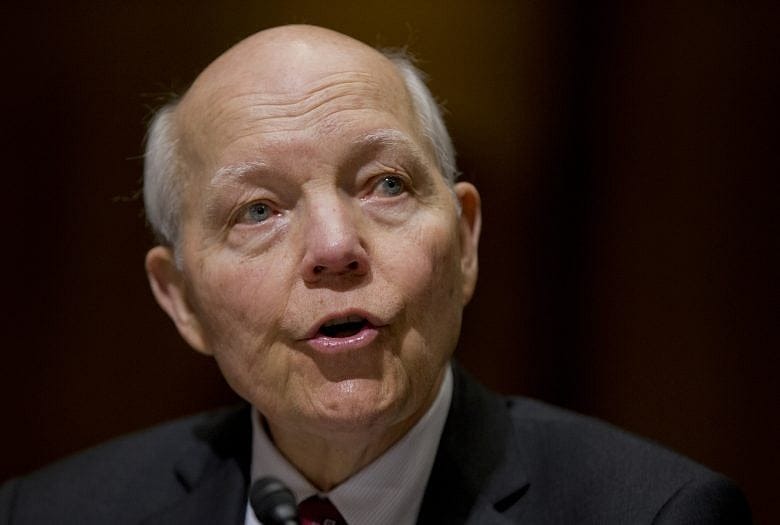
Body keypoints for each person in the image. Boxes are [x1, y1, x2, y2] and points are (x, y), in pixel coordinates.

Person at [0, 25, 751, 524]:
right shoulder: (47, 514)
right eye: (258, 210)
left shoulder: (658, 514)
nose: (335, 246)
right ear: (182, 298)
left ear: (465, 240)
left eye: (386, 184)